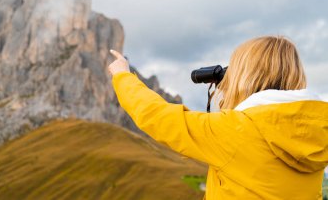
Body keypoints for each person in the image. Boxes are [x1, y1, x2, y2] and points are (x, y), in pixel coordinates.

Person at [108, 36, 328, 200]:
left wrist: (123, 76)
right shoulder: (318, 130)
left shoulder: (234, 131)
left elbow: (155, 115)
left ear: (244, 76)